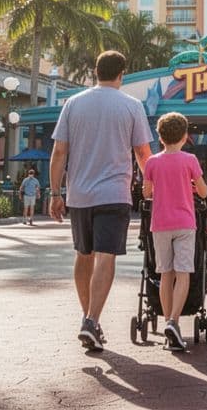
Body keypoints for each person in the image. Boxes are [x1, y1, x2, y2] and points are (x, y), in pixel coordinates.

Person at [49, 50, 154, 352]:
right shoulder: (132, 106)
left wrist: (56, 194)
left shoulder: (73, 104)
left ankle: (88, 318)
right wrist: (154, 186)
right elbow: (143, 154)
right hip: (114, 194)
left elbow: (59, 152)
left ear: (95, 71)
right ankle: (92, 320)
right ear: (121, 74)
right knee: (105, 256)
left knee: (84, 254)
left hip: (79, 195)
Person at [142, 112, 207, 352]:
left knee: (165, 273)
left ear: (160, 137)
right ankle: (173, 321)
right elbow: (203, 192)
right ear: (185, 136)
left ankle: (168, 317)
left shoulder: (152, 162)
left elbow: (146, 194)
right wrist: (192, 185)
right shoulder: (190, 160)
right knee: (183, 273)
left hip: (160, 224)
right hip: (184, 223)